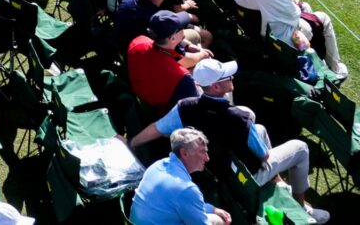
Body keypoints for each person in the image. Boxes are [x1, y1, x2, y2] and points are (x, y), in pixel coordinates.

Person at [128, 57, 330, 223]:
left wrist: (131, 143)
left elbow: (157, 128)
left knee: (259, 129)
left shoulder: (185, 106)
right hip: (243, 180)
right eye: (226, 76)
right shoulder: (240, 118)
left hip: (214, 172)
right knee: (301, 148)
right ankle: (302, 206)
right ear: (216, 86)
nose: (231, 76)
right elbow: (264, 155)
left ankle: (278, 181)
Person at [129, 128, 229, 225]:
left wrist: (212, 209)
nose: (207, 158)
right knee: (218, 221)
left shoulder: (157, 165)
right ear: (184, 153)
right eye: (202, 152)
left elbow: (183, 203)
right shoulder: (186, 189)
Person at [129, 10, 206, 109]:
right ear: (173, 39)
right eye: (181, 28)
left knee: (194, 36)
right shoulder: (183, 78)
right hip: (163, 109)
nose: (183, 31)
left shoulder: (138, 41)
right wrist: (202, 55)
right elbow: (195, 107)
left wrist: (187, 45)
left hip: (141, 91)